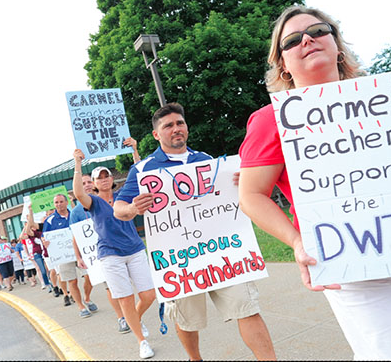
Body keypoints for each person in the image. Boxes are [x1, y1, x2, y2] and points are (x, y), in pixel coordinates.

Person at [237, 6, 391, 360]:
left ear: (337, 46)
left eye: (319, 31)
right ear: (282, 63)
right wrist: (297, 241)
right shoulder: (271, 119)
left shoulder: (389, 99)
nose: (307, 40)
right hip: (346, 253)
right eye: (292, 40)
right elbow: (252, 195)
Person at [112, 104, 276, 360]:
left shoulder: (207, 161)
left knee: (247, 308)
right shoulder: (143, 170)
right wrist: (132, 207)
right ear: (156, 134)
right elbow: (118, 209)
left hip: (224, 252)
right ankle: (195, 358)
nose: (176, 129)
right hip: (180, 261)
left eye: (180, 123)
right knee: (187, 321)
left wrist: (241, 181)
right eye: (168, 126)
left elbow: (229, 196)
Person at [73, 154, 156, 359]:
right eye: (98, 177)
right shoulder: (92, 202)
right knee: (126, 299)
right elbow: (77, 192)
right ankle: (142, 341)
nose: (103, 179)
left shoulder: (123, 195)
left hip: (135, 249)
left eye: (106, 176)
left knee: (148, 295)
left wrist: (135, 150)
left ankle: (134, 320)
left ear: (112, 179)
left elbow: (141, 175)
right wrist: (77, 163)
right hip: (110, 255)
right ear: (93, 183)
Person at [70, 172, 130, 333]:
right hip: (99, 253)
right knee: (110, 286)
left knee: (125, 286)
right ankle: (122, 318)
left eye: (89, 182)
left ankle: (131, 314)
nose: (87, 185)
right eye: (83, 183)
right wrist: (78, 256)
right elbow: (76, 235)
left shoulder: (109, 198)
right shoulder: (76, 212)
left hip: (122, 248)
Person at [43, 193, 93, 315]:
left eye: (61, 201)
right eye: (56, 202)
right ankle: (81, 307)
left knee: (90, 277)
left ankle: (87, 298)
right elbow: (45, 237)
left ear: (66, 202)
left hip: (81, 252)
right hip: (64, 256)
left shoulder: (74, 214)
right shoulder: (50, 220)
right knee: (72, 281)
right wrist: (45, 242)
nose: (59, 204)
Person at [22, 216, 52, 290]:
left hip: (46, 252)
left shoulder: (41, 232)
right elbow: (22, 236)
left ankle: (50, 281)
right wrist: (25, 227)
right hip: (37, 253)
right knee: (42, 269)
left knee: (48, 268)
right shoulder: (31, 234)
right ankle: (47, 284)